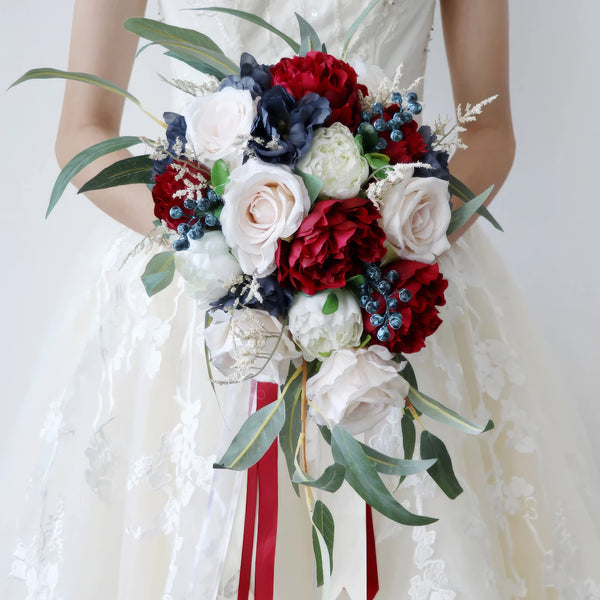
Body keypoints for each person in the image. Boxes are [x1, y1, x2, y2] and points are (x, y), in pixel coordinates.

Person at [5, 0, 600, 598]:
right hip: (198, 298)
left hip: (390, 281)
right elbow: (83, 130)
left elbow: (490, 130)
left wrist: (378, 244)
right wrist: (223, 239)